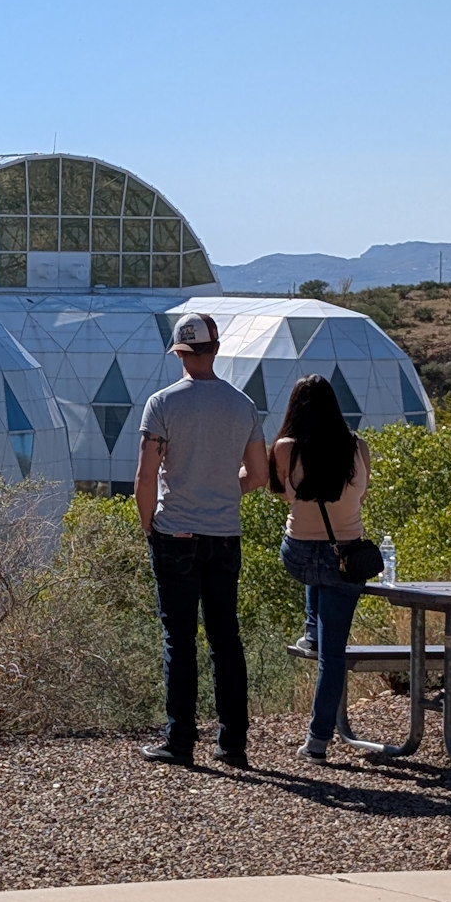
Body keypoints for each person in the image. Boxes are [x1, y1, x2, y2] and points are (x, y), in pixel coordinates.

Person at [136, 313, 268, 769]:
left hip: (176, 532)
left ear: (180, 353)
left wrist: (148, 523)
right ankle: (233, 743)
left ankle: (181, 740)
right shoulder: (242, 405)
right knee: (225, 637)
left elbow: (146, 475)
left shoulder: (162, 404)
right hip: (224, 534)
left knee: (180, 638)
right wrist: (226, 487)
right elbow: (259, 474)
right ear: (216, 349)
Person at [268, 374, 371, 765]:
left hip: (298, 553)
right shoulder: (357, 447)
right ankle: (318, 739)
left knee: (313, 566)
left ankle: (311, 628)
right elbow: (361, 493)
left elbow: (282, 493)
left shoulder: (285, 449)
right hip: (347, 555)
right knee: (335, 654)